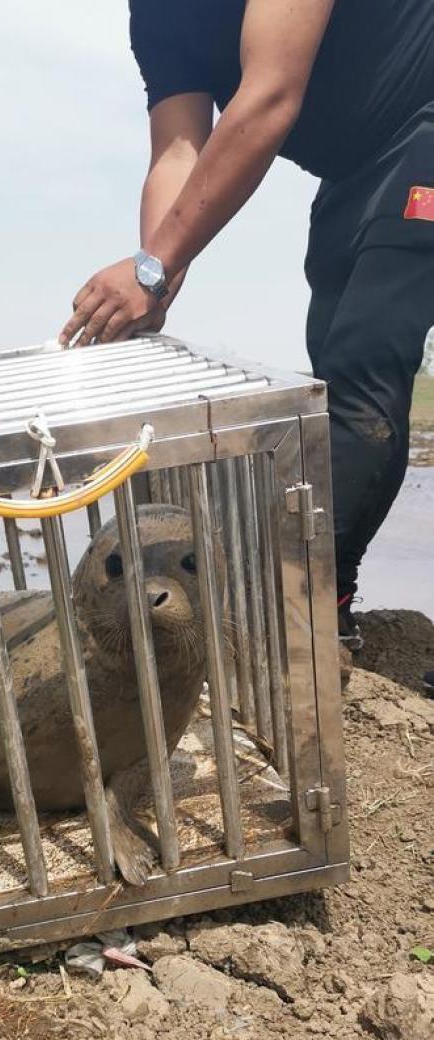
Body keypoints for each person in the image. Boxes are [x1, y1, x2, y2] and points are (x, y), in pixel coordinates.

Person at [60, 0, 434, 653]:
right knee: (338, 385)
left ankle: (294, 613)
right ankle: (326, 604)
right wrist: (159, 281)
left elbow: (267, 97)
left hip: (423, 125)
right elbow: (177, 152)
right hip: (358, 170)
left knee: (362, 356)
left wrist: (155, 265)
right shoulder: (157, 19)